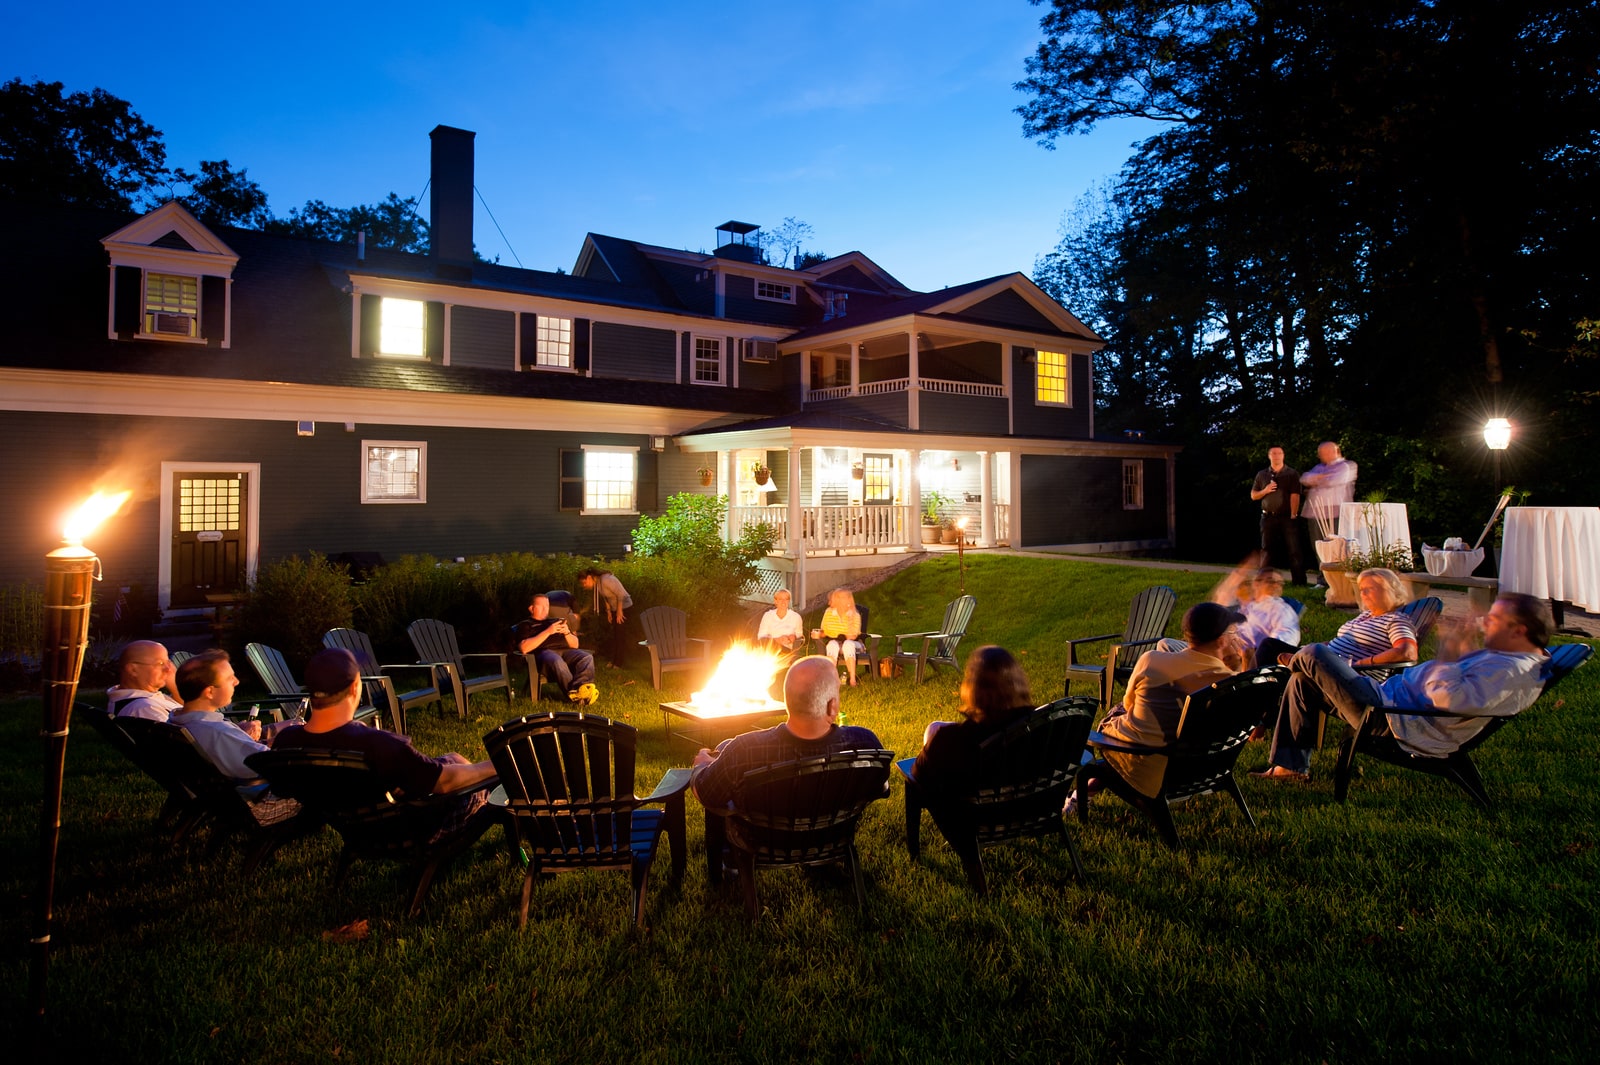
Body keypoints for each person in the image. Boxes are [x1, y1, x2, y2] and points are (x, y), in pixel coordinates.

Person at [1253, 594, 1553, 782]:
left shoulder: (1512, 671)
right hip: (1389, 699)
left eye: (1495, 619)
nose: (1485, 623)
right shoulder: (1507, 657)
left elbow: (1448, 699)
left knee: (1313, 654)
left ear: (1519, 631)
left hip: (1393, 720)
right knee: (1303, 679)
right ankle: (1289, 768)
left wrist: (1448, 655)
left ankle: (1284, 668)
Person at [273, 648, 498, 840]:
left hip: (356, 831)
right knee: (486, 781)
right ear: (354, 688)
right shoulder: (377, 745)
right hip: (412, 829)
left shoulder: (286, 741)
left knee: (454, 759)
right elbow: (443, 783)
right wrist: (495, 766)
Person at [1085, 602, 1249, 802]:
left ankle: (1085, 790)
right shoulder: (1229, 683)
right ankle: (1088, 788)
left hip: (1148, 768)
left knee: (1120, 710)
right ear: (1223, 641)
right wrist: (1241, 664)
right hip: (1201, 769)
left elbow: (1129, 705)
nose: (1237, 638)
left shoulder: (1151, 660)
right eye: (1234, 633)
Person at [692, 655, 883, 811]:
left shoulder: (745, 750)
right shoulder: (864, 743)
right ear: (832, 707)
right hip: (832, 843)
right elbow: (878, 786)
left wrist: (701, 767)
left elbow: (708, 794)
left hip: (761, 851)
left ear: (787, 701)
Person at [169, 651, 301, 825]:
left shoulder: (177, 722)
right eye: (230, 678)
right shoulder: (217, 732)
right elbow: (269, 766)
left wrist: (243, 737)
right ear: (209, 691)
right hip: (262, 804)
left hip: (223, 797)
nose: (237, 681)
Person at [911, 646, 1034, 798]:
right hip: (1031, 813)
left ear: (972, 687)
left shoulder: (950, 740)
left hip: (972, 819)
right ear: (1017, 680)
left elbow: (918, 776)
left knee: (933, 728)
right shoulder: (1043, 726)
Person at [1278, 568, 1416, 672]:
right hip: (1328, 661)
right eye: (1362, 589)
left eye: (1370, 589)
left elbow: (1407, 652)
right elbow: (1341, 641)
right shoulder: (1365, 615)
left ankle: (1298, 663)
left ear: (1389, 590)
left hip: (1348, 674)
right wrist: (1311, 648)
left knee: (1276, 657)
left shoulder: (1395, 620)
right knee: (1271, 646)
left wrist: (1364, 663)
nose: (1363, 593)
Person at [511, 593, 598, 704]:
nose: (545, 609)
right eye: (541, 606)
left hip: (565, 652)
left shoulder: (556, 621)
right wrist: (548, 631)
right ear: (531, 608)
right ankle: (579, 699)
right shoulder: (525, 625)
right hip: (544, 654)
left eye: (547, 606)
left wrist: (567, 633)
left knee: (587, 657)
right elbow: (524, 648)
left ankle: (579, 691)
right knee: (556, 660)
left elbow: (575, 645)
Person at [1251, 447, 1305, 584]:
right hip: (1268, 517)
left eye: (1279, 453)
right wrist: (1266, 490)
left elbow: (1295, 495)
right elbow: (1254, 495)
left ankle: (1299, 581)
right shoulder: (1262, 474)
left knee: (1294, 549)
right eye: (1274, 453)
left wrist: (1294, 514)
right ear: (1269, 456)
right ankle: (1264, 580)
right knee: (1267, 550)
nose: (1277, 456)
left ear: (1283, 456)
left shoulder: (1292, 473)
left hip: (1287, 517)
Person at [106, 640, 181, 721]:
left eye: (168, 663)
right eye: (160, 663)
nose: (168, 669)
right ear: (133, 670)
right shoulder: (145, 709)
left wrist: (175, 686)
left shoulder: (145, 697)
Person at [1300, 440, 1358, 544]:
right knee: (1318, 544)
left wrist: (1316, 480)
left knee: (1335, 544)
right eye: (1321, 453)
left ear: (1336, 451)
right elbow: (1304, 478)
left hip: (1336, 512)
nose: (1323, 455)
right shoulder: (1319, 468)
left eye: (1326, 452)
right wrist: (1321, 478)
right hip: (1315, 513)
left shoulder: (1346, 466)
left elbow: (1334, 481)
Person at [580, 568, 633, 667]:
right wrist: (609, 611)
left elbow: (620, 594)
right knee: (615, 635)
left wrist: (619, 611)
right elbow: (606, 597)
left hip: (624, 607)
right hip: (615, 609)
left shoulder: (606, 579)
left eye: (584, 582)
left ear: (589, 577)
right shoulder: (598, 583)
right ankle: (614, 661)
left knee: (620, 635)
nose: (584, 586)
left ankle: (618, 663)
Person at [815, 588, 866, 687]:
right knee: (832, 645)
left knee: (848, 644)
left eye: (833, 599)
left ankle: (852, 679)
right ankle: (832, 679)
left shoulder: (854, 615)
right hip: (836, 642)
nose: (830, 602)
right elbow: (824, 631)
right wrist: (819, 634)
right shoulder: (829, 612)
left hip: (855, 644)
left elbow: (853, 635)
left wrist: (838, 634)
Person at [755, 589, 805, 657]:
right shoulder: (768, 615)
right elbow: (761, 636)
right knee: (760, 641)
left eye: (786, 599)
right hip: (769, 649)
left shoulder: (796, 617)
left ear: (789, 601)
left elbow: (800, 636)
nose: (783, 602)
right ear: (775, 601)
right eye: (780, 599)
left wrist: (793, 637)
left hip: (786, 651)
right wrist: (778, 640)